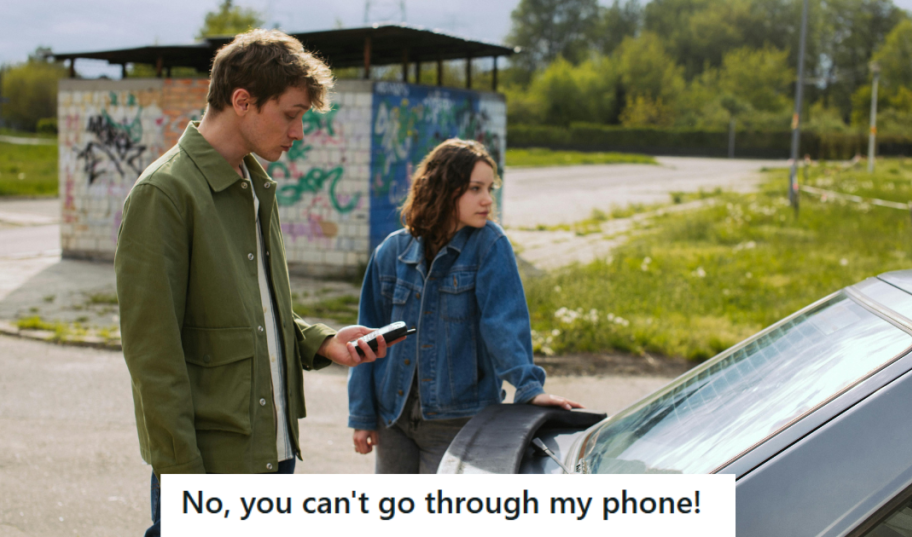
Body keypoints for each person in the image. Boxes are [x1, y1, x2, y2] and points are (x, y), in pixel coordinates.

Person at [114, 29, 397, 537]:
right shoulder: (165, 193)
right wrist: (184, 481)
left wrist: (322, 341)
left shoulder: (254, 184)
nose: (298, 132)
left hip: (273, 451)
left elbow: (256, 311)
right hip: (212, 468)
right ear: (242, 101)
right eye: (291, 114)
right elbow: (152, 356)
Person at [346, 139, 583, 474]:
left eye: (490, 188)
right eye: (475, 188)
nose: (488, 199)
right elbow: (366, 339)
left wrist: (530, 388)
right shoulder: (391, 252)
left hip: (457, 421)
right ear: (443, 189)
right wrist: (362, 415)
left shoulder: (490, 245)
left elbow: (504, 324)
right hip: (393, 418)